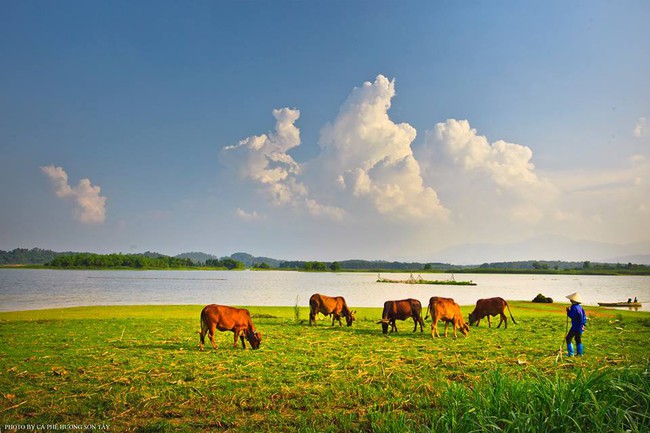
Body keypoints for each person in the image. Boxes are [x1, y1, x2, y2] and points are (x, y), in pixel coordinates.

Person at [565, 292, 587, 356]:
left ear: (572, 300)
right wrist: (583, 324)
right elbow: (584, 316)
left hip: (575, 326)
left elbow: (572, 316)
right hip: (581, 326)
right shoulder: (580, 307)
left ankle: (571, 353)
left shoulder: (573, 307)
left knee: (568, 338)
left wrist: (568, 311)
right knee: (578, 339)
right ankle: (580, 353)